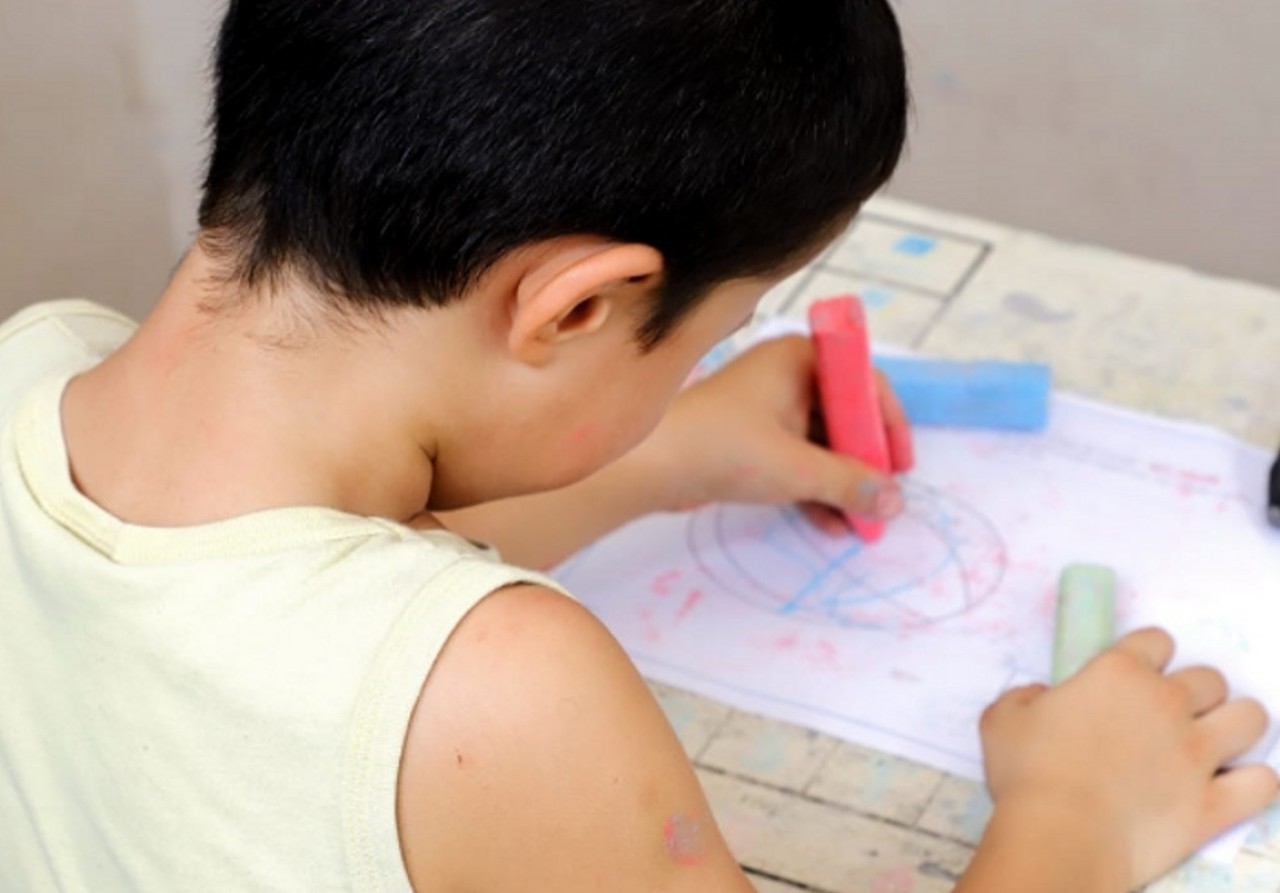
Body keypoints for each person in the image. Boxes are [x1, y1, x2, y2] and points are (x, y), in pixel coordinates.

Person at [0, 1, 1273, 891]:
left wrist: (667, 452)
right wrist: (1076, 820)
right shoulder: (503, 693)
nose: (686, 382)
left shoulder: (37, 365)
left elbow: (272, 592)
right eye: (700, 342)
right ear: (574, 307)